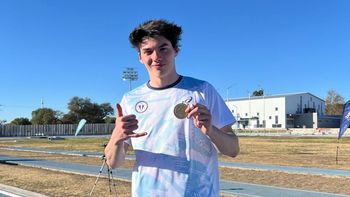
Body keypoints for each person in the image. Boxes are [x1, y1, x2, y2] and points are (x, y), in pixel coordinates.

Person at [104, 19, 239, 197]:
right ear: (140, 57)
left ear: (176, 50)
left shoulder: (203, 91)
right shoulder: (130, 100)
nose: (156, 57)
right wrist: (117, 137)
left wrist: (211, 131)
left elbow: (233, 150)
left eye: (163, 48)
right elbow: (113, 163)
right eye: (148, 51)